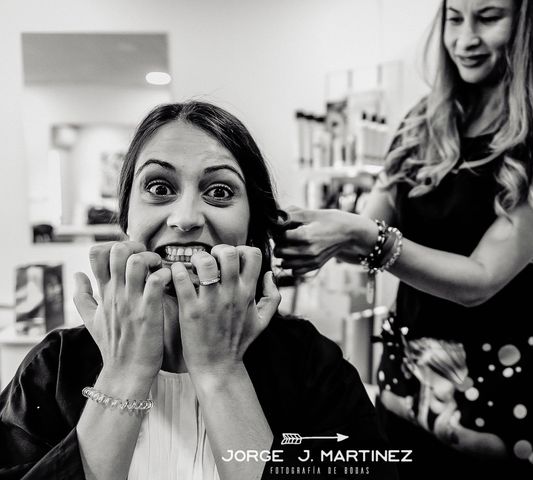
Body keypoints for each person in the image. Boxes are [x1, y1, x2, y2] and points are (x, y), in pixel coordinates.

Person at [274, 0, 533, 478]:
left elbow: (479, 279)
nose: (464, 39)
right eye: (455, 18)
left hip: (506, 389)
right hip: (407, 375)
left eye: (488, 17)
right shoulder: (424, 121)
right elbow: (370, 230)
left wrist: (360, 236)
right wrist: (316, 229)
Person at [0, 101, 398, 480]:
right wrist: (124, 373)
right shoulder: (54, 368)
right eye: (158, 187)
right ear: (125, 217)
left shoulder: (314, 368)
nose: (186, 218)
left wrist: (220, 373)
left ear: (251, 227)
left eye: (220, 191)